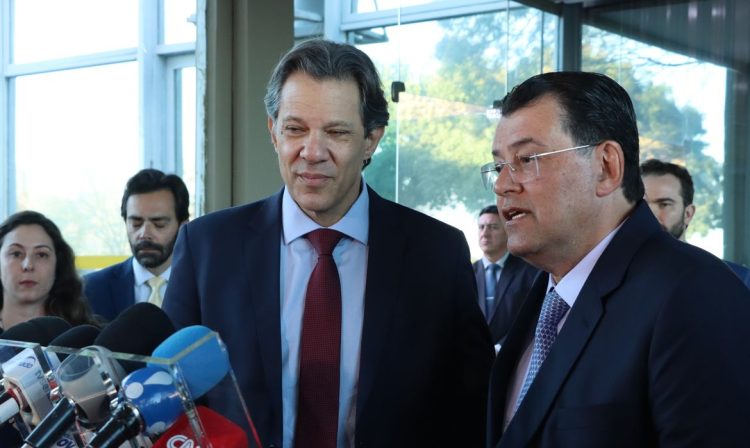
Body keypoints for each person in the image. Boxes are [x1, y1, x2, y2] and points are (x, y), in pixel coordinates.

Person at [163, 39, 494, 448]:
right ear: (273, 132)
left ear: (371, 139)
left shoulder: (436, 253)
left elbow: (469, 409)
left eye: (336, 132)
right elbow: (170, 400)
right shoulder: (207, 247)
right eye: (295, 129)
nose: (312, 152)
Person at [483, 71, 750, 447]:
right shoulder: (542, 294)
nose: (502, 185)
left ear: (607, 167)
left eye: (527, 159)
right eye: (499, 166)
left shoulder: (695, 294)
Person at [84, 168, 189, 321]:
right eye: (136, 223)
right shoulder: (92, 288)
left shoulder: (204, 289)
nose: (144, 234)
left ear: (183, 226)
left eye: (159, 224)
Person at [640, 158, 750, 287]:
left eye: (664, 204)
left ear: (688, 214)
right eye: (641, 205)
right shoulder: (615, 279)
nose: (650, 214)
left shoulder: (738, 280)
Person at [0, 210, 97, 329]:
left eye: (41, 254)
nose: (28, 265)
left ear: (58, 264)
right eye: (16, 254)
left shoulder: (88, 338)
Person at [473, 205, 538, 348]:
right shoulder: (467, 272)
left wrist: (502, 347)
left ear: (508, 231)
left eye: (493, 227)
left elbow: (532, 317)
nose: (485, 233)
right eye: (481, 227)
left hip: (513, 354)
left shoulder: (530, 270)